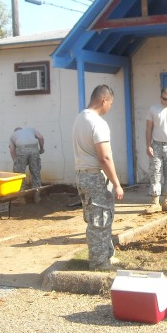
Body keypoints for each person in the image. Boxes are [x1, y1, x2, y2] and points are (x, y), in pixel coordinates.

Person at [72, 84, 124, 270]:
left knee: (97, 218)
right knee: (100, 220)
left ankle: (106, 254)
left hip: (82, 176)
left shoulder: (80, 118)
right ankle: (99, 262)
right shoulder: (98, 123)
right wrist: (117, 183)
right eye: (111, 103)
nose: (110, 107)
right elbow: (104, 157)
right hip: (95, 177)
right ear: (104, 100)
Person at [145, 87, 167, 213]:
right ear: (160, 98)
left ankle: (166, 201)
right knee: (155, 172)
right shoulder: (153, 109)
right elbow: (148, 128)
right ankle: (155, 202)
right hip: (157, 145)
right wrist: (148, 145)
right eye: (164, 99)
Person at [9, 126, 45, 203]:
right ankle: (37, 197)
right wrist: (41, 149)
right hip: (34, 149)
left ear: (15, 131)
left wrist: (16, 162)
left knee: (19, 174)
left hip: (21, 149)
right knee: (36, 174)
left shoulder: (13, 135)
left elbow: (12, 151)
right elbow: (41, 138)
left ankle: (21, 198)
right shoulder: (31, 129)